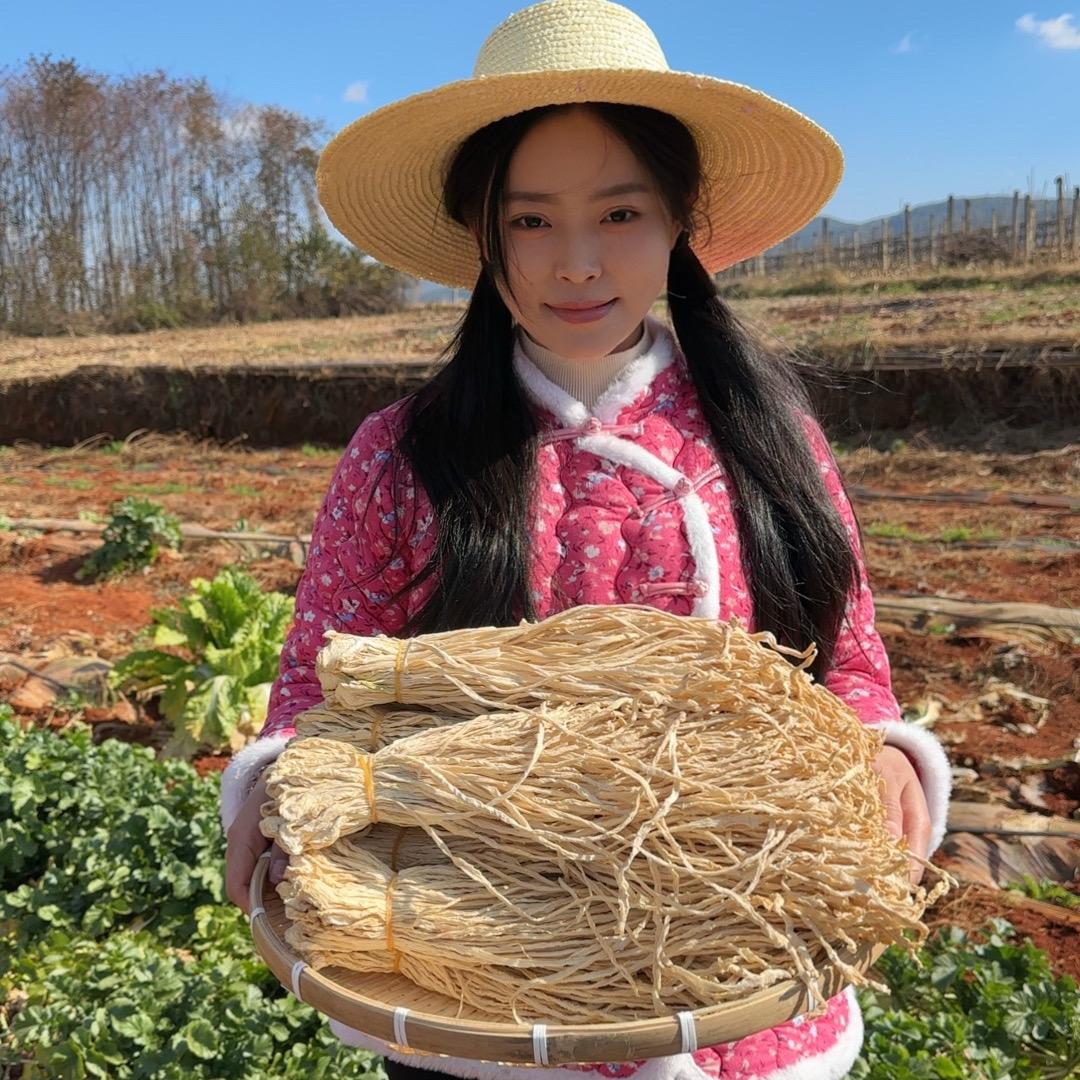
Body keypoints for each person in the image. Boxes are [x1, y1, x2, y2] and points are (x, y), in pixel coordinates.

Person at [221, 1, 953, 1077]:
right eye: (529, 221)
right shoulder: (402, 455)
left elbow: (844, 654)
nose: (575, 262)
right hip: (480, 983)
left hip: (737, 985)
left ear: (679, 222)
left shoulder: (765, 436)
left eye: (620, 214)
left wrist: (883, 743)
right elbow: (320, 681)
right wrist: (288, 782)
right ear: (482, 233)